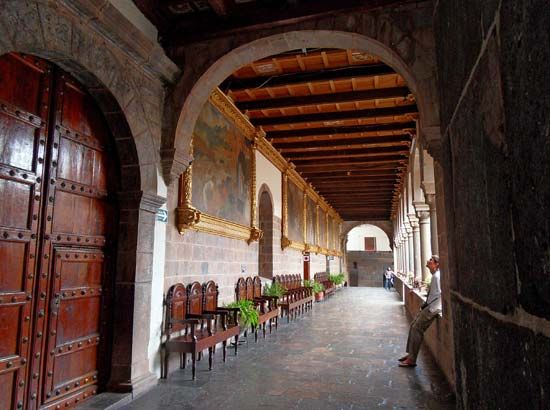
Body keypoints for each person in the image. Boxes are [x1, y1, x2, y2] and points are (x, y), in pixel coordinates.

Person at [398, 255, 442, 367]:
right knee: (413, 326)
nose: (428, 260)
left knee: (417, 328)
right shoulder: (435, 276)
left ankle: (412, 359)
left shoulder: (437, 276)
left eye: (431, 260)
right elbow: (433, 292)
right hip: (431, 306)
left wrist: (426, 305)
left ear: (436, 264)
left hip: (433, 308)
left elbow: (438, 294)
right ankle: (410, 354)